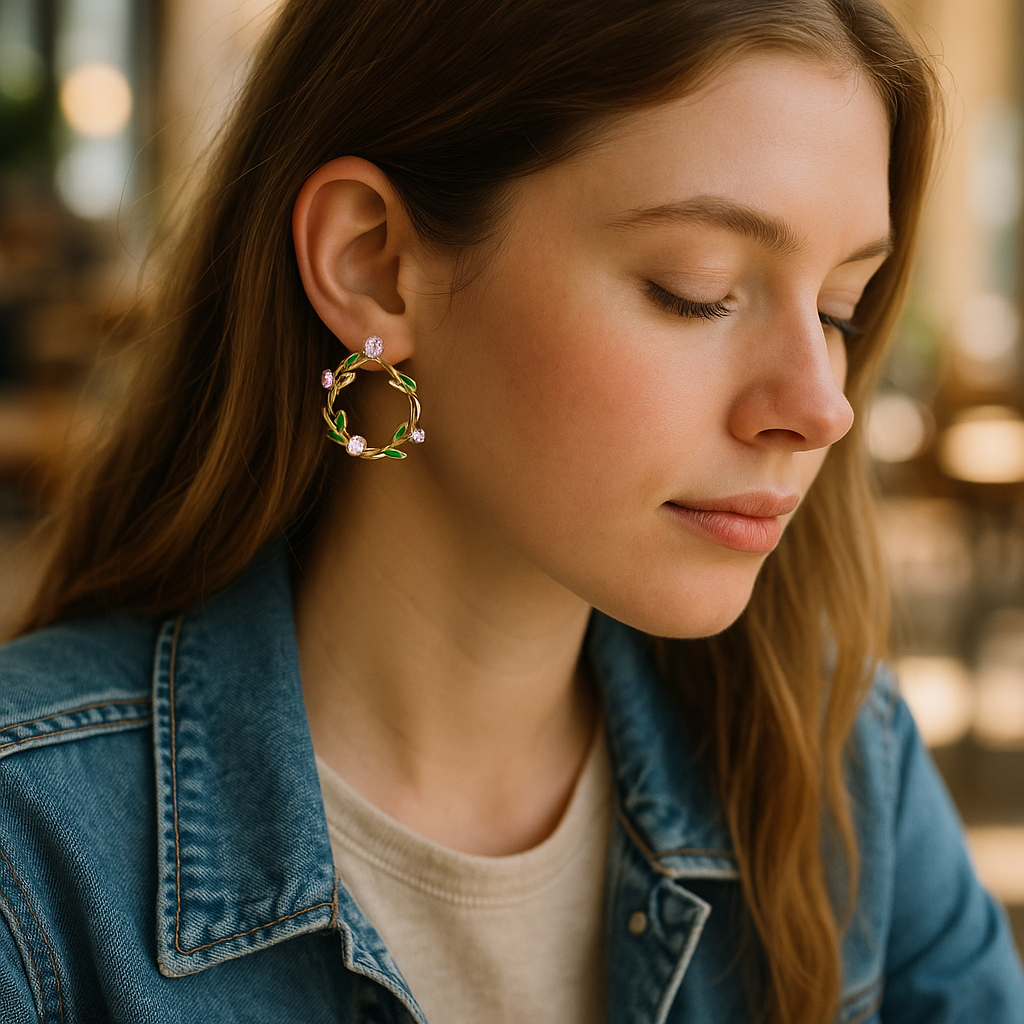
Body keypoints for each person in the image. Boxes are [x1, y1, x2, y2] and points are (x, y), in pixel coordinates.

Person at [2, 0, 1023, 1021]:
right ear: (373, 264)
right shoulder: (33, 861)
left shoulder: (844, 771)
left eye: (838, 307)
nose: (821, 406)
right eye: (694, 288)